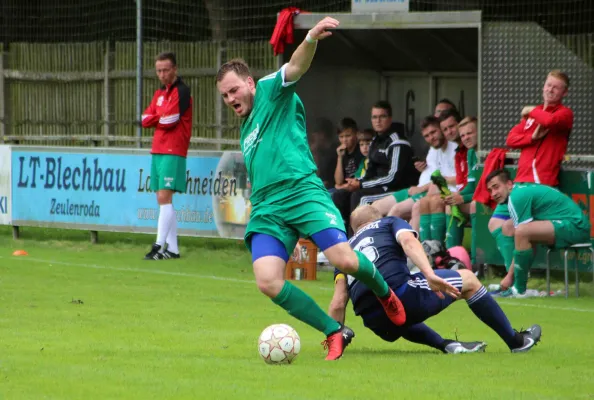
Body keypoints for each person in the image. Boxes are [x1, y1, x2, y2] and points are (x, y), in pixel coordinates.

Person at [215, 16, 406, 361]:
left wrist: (312, 39)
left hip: (302, 193)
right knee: (268, 281)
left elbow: (295, 66)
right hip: (267, 209)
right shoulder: (245, 129)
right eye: (225, 95)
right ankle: (334, 331)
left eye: (234, 90)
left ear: (250, 83)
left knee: (344, 261)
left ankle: (384, 291)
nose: (230, 98)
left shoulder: (273, 90)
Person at [328, 205, 542, 353]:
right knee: (469, 280)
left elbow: (338, 302)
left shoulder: (344, 251)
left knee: (398, 312)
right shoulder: (388, 222)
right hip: (402, 297)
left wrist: (334, 339)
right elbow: (408, 242)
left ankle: (445, 345)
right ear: (378, 217)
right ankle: (516, 342)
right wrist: (429, 274)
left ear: (355, 229)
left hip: (376, 323)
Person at [488, 70, 574, 290]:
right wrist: (531, 137)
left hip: (541, 185)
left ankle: (515, 283)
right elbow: (511, 138)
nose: (550, 89)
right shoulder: (532, 117)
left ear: (564, 92)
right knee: (497, 224)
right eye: (548, 85)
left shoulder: (564, 114)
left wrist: (530, 110)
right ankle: (514, 279)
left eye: (556, 87)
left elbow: (549, 119)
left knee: (519, 229)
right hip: (519, 184)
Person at [486, 169, 590, 297]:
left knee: (522, 231)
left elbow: (522, 232)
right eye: (490, 190)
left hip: (575, 226)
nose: (494, 194)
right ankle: (513, 282)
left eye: (496, 187)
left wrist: (508, 276)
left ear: (508, 184)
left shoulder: (517, 196)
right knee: (508, 227)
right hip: (561, 223)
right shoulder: (517, 191)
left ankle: (518, 289)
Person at [141, 52, 192, 260]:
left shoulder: (182, 91)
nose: (162, 74)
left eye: (165, 70)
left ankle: (158, 246)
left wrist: (157, 118)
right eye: (158, 71)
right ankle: (173, 249)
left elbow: (170, 120)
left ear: (175, 69)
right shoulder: (159, 93)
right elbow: (144, 118)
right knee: (162, 199)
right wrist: (157, 117)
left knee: (164, 197)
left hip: (174, 149)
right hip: (159, 149)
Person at [371, 116, 443, 230]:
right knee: (375, 207)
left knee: (396, 210)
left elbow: (443, 180)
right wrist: (423, 169)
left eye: (433, 132)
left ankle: (384, 244)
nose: (431, 138)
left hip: (427, 191)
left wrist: (421, 189)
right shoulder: (434, 149)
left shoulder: (450, 147)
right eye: (427, 136)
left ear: (441, 128)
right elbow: (434, 171)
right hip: (417, 189)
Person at [444, 117, 479, 253]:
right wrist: (456, 196)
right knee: (451, 204)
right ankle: (451, 256)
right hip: (476, 197)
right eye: (463, 135)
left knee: (474, 205)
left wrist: (463, 198)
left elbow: (486, 189)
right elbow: (471, 186)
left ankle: (476, 260)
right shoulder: (470, 153)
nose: (466, 138)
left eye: (470, 133)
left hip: (492, 199)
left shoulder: (487, 153)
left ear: (479, 132)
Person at [334, 118, 363, 189]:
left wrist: (340, 187)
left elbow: (359, 180)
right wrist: (340, 157)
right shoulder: (341, 152)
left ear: (356, 134)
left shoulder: (362, 150)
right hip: (344, 188)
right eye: (341, 137)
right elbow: (338, 181)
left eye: (348, 136)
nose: (344, 140)